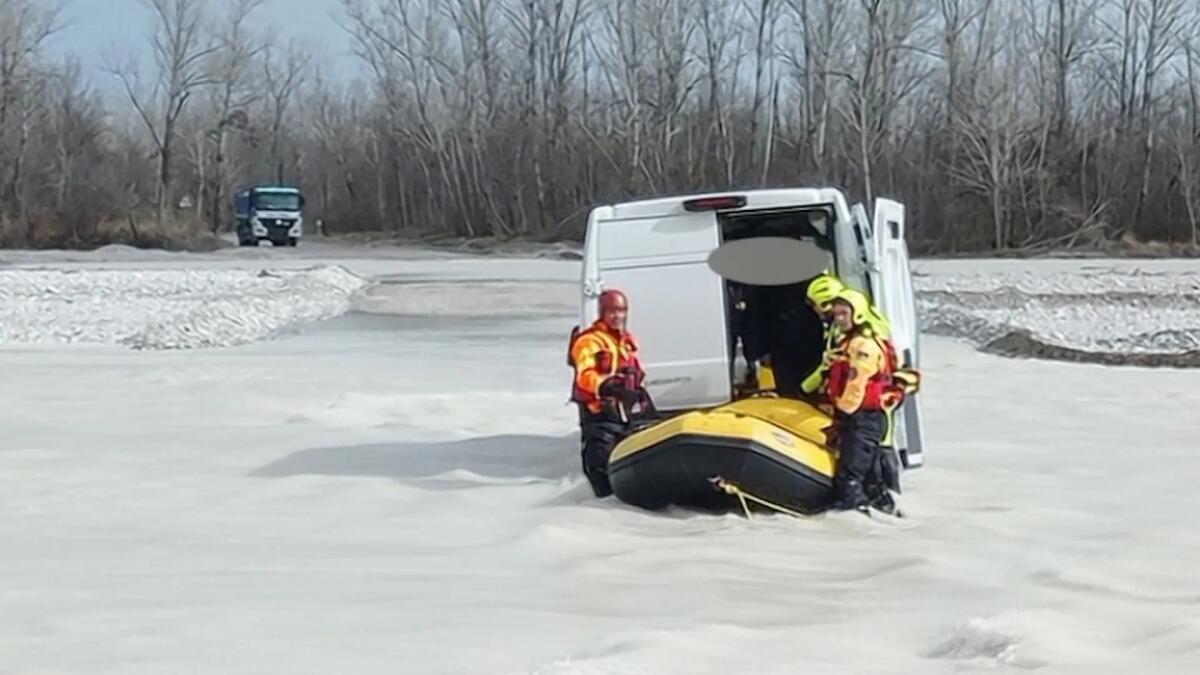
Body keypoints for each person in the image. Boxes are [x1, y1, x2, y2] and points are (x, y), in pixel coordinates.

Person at [823, 289, 907, 513]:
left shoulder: (864, 347)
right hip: (862, 418)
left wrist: (841, 412)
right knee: (870, 479)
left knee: (849, 478)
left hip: (864, 418)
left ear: (857, 314)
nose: (839, 319)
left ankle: (856, 520)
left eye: (844, 313)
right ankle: (886, 514)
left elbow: (856, 385)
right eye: (836, 314)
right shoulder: (849, 343)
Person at [567, 288, 650, 497]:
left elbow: (636, 370)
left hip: (625, 417)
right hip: (599, 418)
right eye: (612, 311)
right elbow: (584, 375)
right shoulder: (589, 341)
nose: (617, 316)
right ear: (602, 312)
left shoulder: (627, 341)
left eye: (621, 311)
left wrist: (639, 394)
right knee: (600, 470)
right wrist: (607, 387)